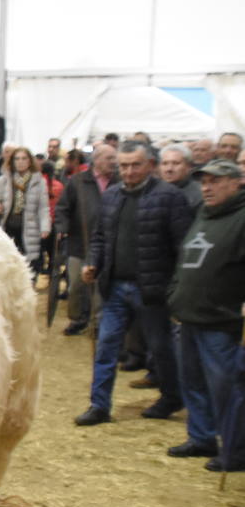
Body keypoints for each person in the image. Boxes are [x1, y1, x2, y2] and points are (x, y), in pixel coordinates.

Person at [74, 141, 192, 426]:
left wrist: (176, 288)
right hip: (114, 286)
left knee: (160, 348)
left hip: (153, 289)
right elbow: (100, 237)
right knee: (106, 346)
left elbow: (183, 247)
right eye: (123, 166)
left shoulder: (170, 197)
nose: (128, 171)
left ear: (150, 165)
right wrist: (93, 262)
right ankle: (99, 404)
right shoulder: (112, 196)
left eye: (135, 165)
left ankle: (170, 396)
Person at [165, 159, 245, 464]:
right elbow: (185, 256)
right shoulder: (203, 213)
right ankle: (201, 437)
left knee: (226, 388)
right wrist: (175, 295)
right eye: (204, 182)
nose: (207, 187)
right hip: (188, 315)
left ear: (236, 182)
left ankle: (236, 449)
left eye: (216, 181)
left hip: (222, 320)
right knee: (193, 383)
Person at [56, 144, 119, 335]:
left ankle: (99, 322)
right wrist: (62, 228)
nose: (113, 162)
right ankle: (77, 319)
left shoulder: (119, 182)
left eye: (114, 158)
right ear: (97, 160)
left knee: (101, 286)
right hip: (79, 242)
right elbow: (62, 208)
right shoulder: (78, 181)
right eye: (109, 158)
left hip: (108, 244)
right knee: (76, 284)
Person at [0, 146, 50, 277]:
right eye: (17, 159)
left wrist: (45, 227)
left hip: (30, 227)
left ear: (30, 161)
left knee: (30, 267)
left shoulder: (39, 182)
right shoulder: (3, 180)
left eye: (24, 158)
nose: (20, 162)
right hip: (9, 227)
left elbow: (43, 207)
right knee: (8, 265)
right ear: (12, 161)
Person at [160, 143, 203, 214]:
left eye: (176, 163)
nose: (169, 169)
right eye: (165, 163)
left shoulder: (200, 195)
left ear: (188, 167)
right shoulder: (150, 191)